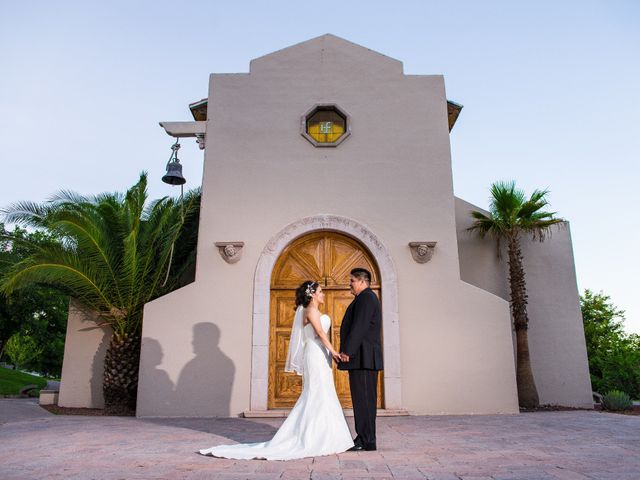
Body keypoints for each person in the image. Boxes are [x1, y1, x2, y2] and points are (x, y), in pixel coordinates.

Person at [199, 280, 354, 460]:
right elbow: (320, 333)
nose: (323, 294)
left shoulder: (316, 311)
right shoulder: (310, 311)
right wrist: (334, 352)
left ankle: (328, 435)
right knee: (316, 392)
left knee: (325, 391)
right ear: (312, 294)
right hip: (314, 354)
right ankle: (313, 437)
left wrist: (329, 353)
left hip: (322, 354)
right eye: (320, 291)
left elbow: (323, 335)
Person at [338, 268, 383, 451]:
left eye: (352, 281)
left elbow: (360, 326)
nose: (350, 284)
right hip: (362, 357)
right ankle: (365, 438)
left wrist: (347, 351)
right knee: (363, 400)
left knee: (364, 400)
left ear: (362, 281)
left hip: (364, 358)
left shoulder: (366, 298)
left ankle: (366, 440)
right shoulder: (366, 298)